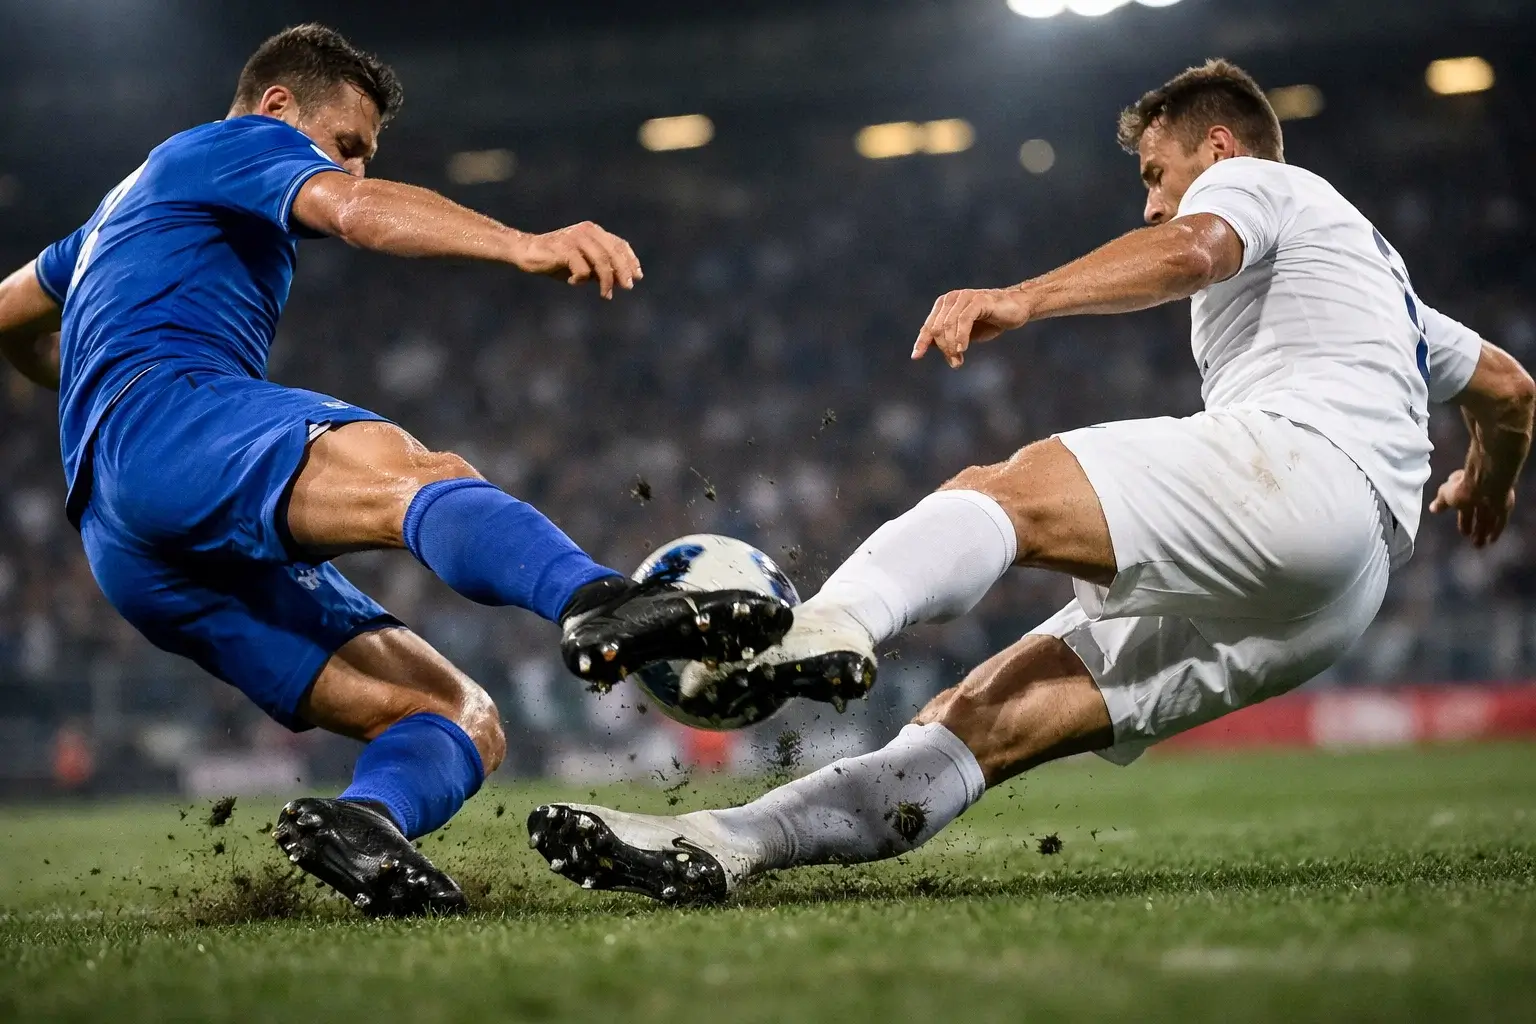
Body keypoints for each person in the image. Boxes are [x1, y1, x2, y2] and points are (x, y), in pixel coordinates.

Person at [528, 59, 1535, 903]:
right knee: (983, 721)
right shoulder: (1385, 288)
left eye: (1157, 172)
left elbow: (1192, 249)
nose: (1150, 200)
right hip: (1338, 600)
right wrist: (1487, 483)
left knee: (1006, 492)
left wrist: (1022, 297)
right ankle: (728, 840)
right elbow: (1509, 388)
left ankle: (826, 625)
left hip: (1300, 476)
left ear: (1220, 150)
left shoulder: (1265, 185)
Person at [0, 24, 790, 917]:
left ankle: (366, 822)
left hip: (124, 544)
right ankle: (595, 599)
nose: (351, 168)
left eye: (363, 156)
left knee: (459, 716)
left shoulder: (112, 216)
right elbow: (355, 214)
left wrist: (84, 380)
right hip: (170, 423)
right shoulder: (231, 144)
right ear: (277, 106)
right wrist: (522, 244)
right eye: (346, 144)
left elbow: (8, 315)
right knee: (419, 475)